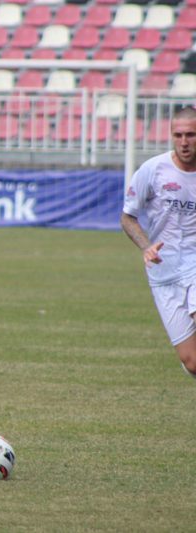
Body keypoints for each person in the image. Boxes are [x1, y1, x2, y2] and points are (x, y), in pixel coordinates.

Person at [121, 106, 196, 378]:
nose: (184, 142)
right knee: (192, 363)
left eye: (191, 135)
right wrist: (146, 246)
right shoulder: (152, 170)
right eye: (178, 135)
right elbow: (127, 217)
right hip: (164, 271)